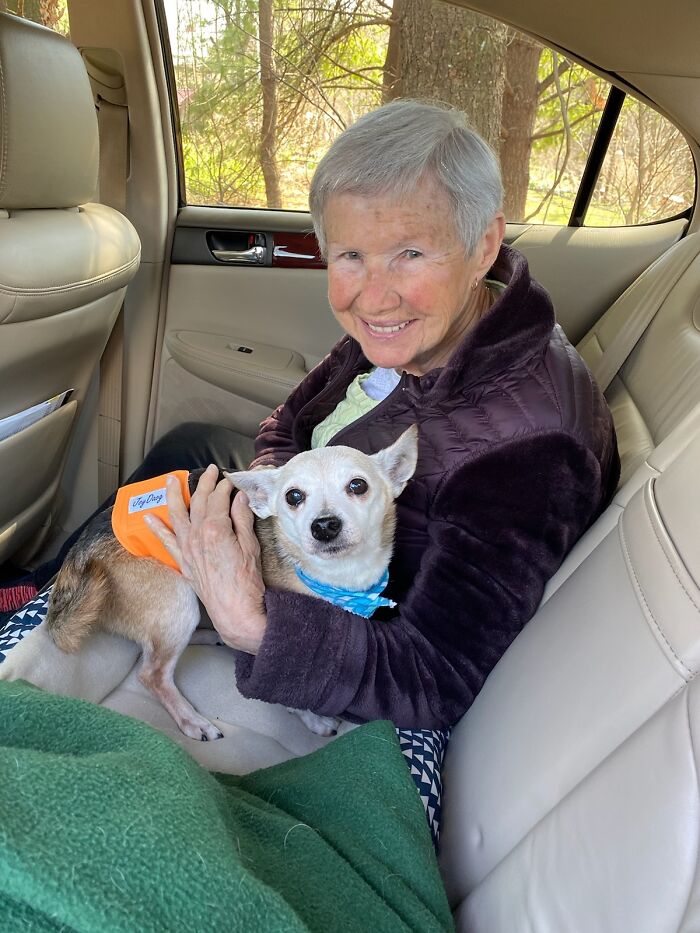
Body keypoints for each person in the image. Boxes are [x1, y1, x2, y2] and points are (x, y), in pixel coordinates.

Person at [36, 100, 621, 730]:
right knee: (185, 448)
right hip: (309, 526)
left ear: (483, 245)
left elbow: (434, 674)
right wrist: (269, 494)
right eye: (349, 256)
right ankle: (47, 590)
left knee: (171, 486)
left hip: (349, 597)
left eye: (410, 253)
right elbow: (292, 421)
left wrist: (252, 621)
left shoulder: (529, 453)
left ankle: (34, 627)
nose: (372, 294)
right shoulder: (415, 332)